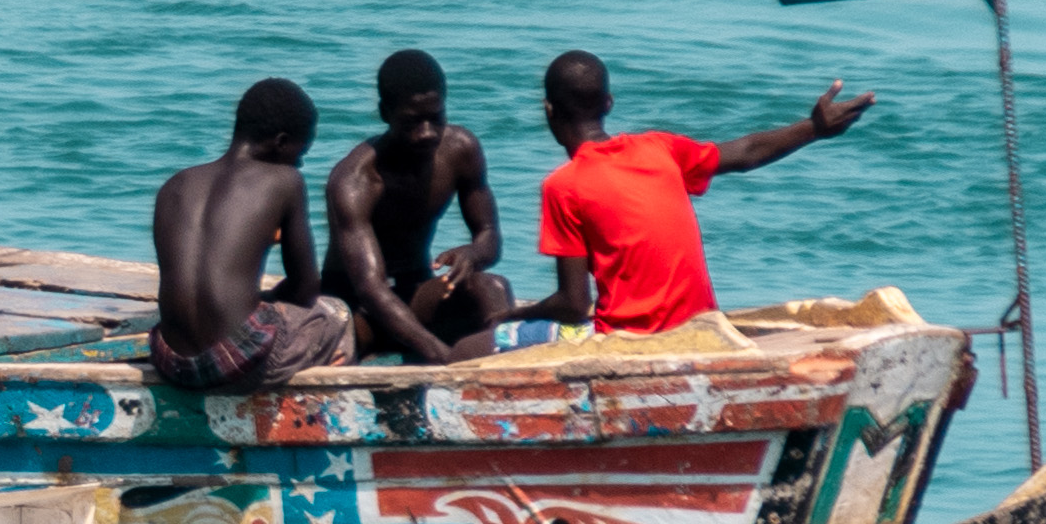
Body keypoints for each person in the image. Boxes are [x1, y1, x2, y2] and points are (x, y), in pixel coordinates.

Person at [531, 49, 876, 335]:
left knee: (502, 336)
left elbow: (574, 305)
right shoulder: (658, 148)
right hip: (699, 329)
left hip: (627, 342)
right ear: (608, 103)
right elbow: (746, 152)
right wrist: (814, 128)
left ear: (549, 110)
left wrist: (513, 316)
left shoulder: (563, 186)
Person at [323, 49, 526, 364]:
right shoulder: (355, 180)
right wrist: (441, 357)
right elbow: (371, 290)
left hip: (415, 291)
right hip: (358, 308)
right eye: (412, 122)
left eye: (436, 117)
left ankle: (506, 382)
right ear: (384, 113)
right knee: (358, 329)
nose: (427, 132)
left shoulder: (461, 150)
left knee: (493, 288)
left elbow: (489, 237)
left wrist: (472, 254)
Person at [150, 78, 353, 390]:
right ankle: (335, 408)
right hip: (238, 365)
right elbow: (306, 289)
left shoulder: (175, 185)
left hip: (171, 362)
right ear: (281, 142)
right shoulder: (285, 180)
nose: (300, 161)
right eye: (302, 151)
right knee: (335, 314)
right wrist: (270, 300)